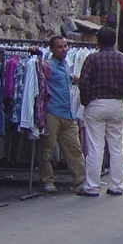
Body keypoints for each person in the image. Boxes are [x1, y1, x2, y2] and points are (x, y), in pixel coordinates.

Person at [76, 26, 123, 197]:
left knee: (95, 146)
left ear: (98, 41)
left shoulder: (92, 59)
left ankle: (92, 186)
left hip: (96, 103)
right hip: (116, 104)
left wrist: (87, 102)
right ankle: (117, 185)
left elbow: (84, 83)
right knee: (116, 146)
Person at [35, 35, 86, 193]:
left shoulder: (66, 65)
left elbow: (70, 79)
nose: (64, 50)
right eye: (59, 47)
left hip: (68, 114)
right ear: (51, 49)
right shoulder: (46, 66)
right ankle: (47, 181)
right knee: (47, 150)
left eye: (65, 46)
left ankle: (80, 181)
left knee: (75, 149)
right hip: (52, 112)